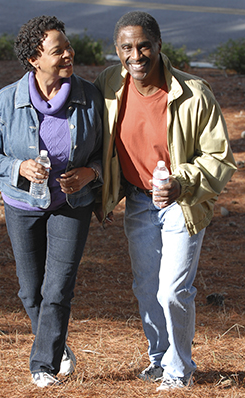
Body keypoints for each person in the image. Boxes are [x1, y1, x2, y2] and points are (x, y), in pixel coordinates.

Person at [94, 11, 236, 391]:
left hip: (181, 203)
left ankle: (179, 369)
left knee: (172, 289)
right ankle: (159, 360)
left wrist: (181, 182)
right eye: (127, 47)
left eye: (143, 46)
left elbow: (220, 158)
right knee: (146, 287)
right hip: (139, 203)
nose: (136, 55)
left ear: (159, 46)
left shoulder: (193, 93)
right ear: (117, 51)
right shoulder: (110, 83)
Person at [0, 15, 102, 388]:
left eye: (67, 46)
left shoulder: (89, 97)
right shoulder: (5, 101)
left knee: (58, 288)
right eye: (58, 49)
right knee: (30, 290)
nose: (68, 53)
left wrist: (89, 174)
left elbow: (106, 154)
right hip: (22, 205)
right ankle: (57, 344)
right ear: (34, 59)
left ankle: (42, 364)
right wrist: (18, 166)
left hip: (71, 203)